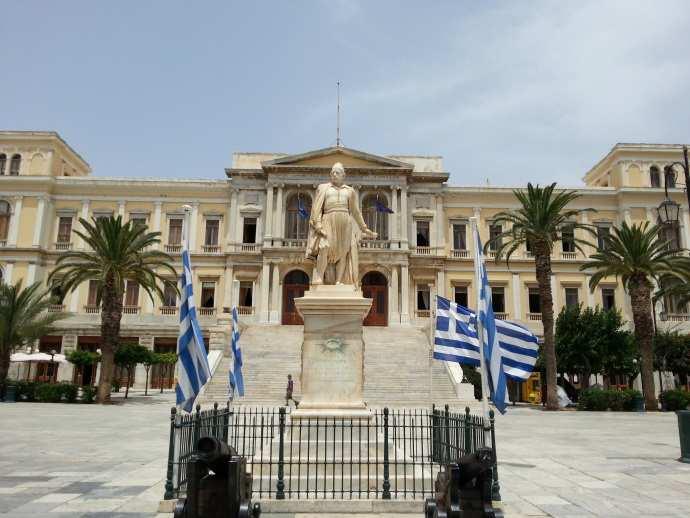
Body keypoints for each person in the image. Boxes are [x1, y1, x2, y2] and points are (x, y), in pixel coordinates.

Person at [306, 162, 377, 285]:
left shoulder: (349, 191)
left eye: (337, 172)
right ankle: (319, 277)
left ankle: (339, 280)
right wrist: (318, 225)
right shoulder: (323, 188)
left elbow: (355, 211)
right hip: (328, 219)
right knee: (324, 247)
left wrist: (364, 228)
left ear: (343, 175)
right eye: (332, 172)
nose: (334, 174)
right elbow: (316, 209)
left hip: (345, 223)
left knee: (343, 252)